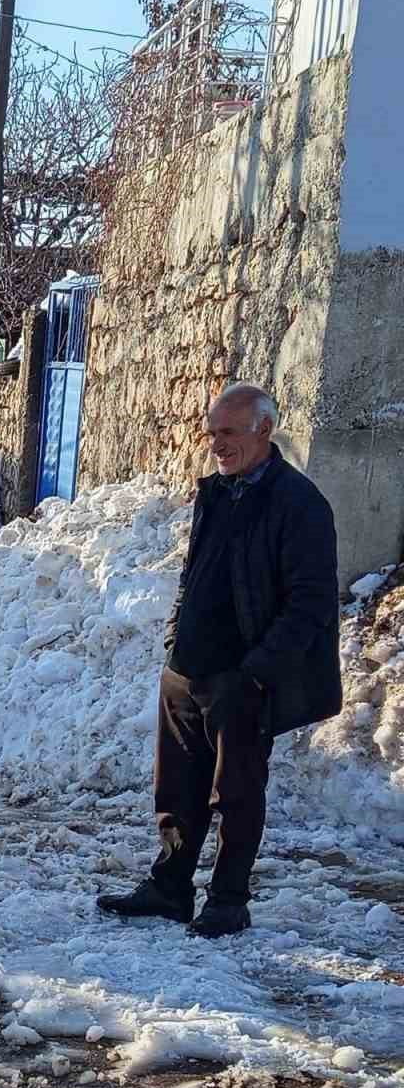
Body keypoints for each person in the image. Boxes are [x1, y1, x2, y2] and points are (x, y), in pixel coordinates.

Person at [98, 383, 341, 939]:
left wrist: (257, 671)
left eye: (228, 432)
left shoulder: (298, 503)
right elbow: (194, 574)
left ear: (265, 429)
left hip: (242, 676)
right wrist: (175, 637)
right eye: (211, 433)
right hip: (187, 668)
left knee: (236, 793)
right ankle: (170, 887)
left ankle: (229, 901)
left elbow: (311, 603)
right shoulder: (217, 492)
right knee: (177, 789)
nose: (216, 444)